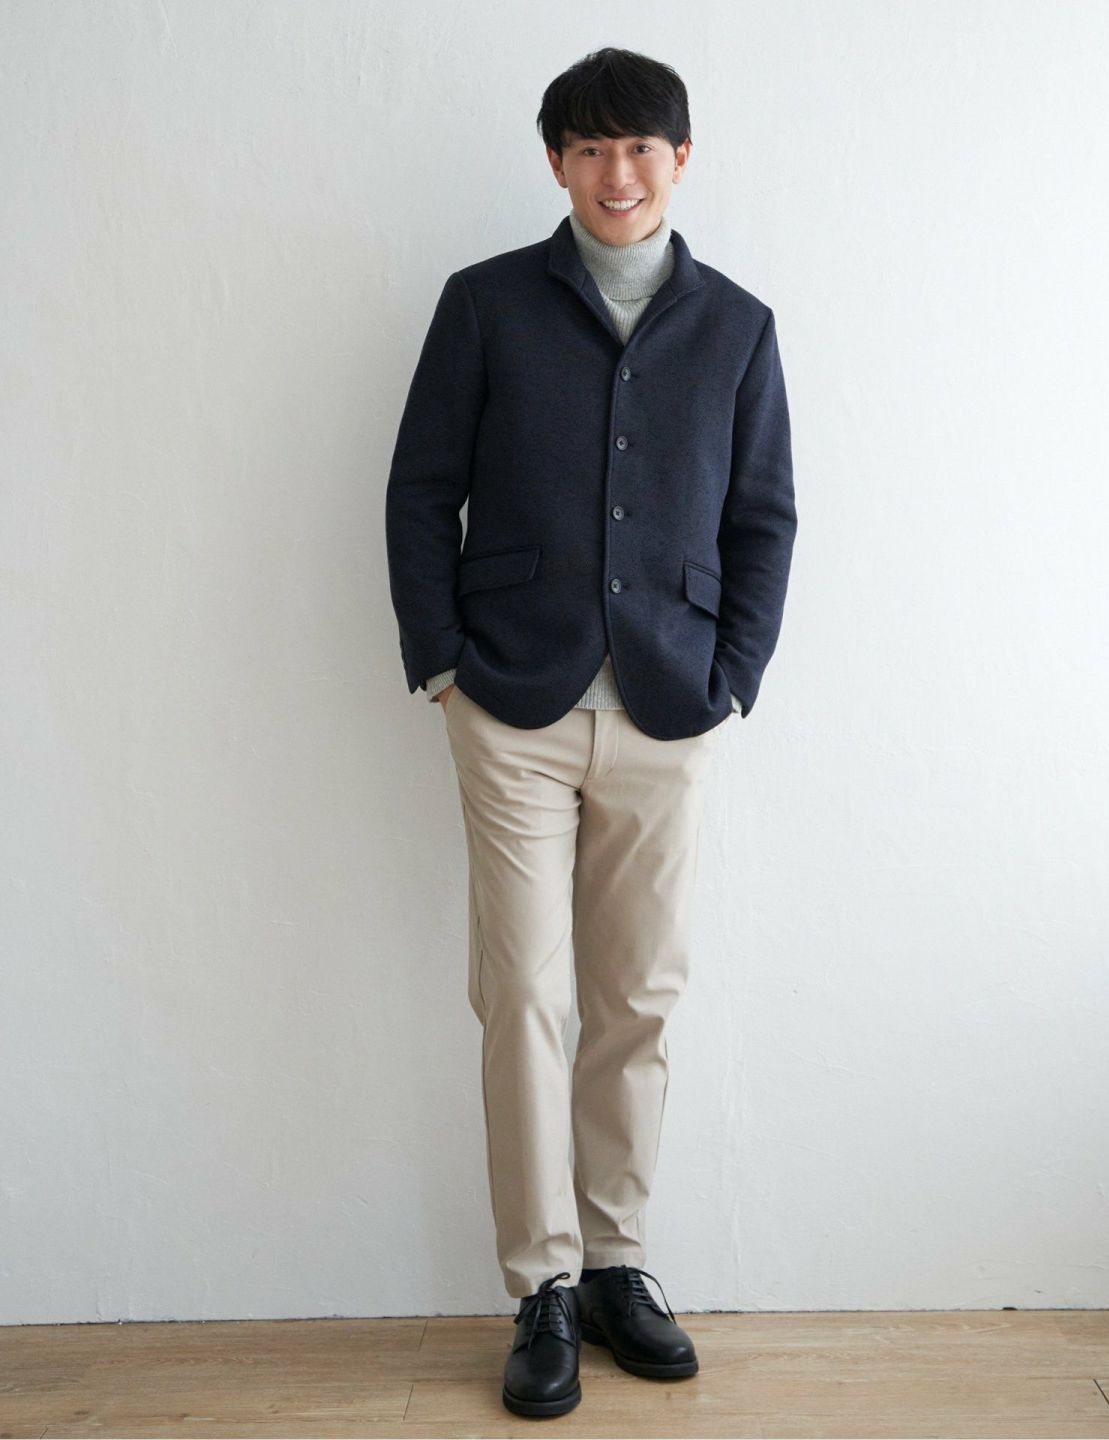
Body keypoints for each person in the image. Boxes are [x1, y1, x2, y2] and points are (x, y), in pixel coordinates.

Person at [385, 46, 796, 1419]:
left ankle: (619, 1263)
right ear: (557, 162)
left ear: (680, 161)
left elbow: (763, 518)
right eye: (591, 147)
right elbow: (419, 489)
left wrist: (734, 676)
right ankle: (542, 1285)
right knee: (524, 998)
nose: (618, 173)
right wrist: (441, 665)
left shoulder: (737, 328)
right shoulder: (486, 304)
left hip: (668, 706)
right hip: (511, 706)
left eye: (641, 147)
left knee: (639, 999)